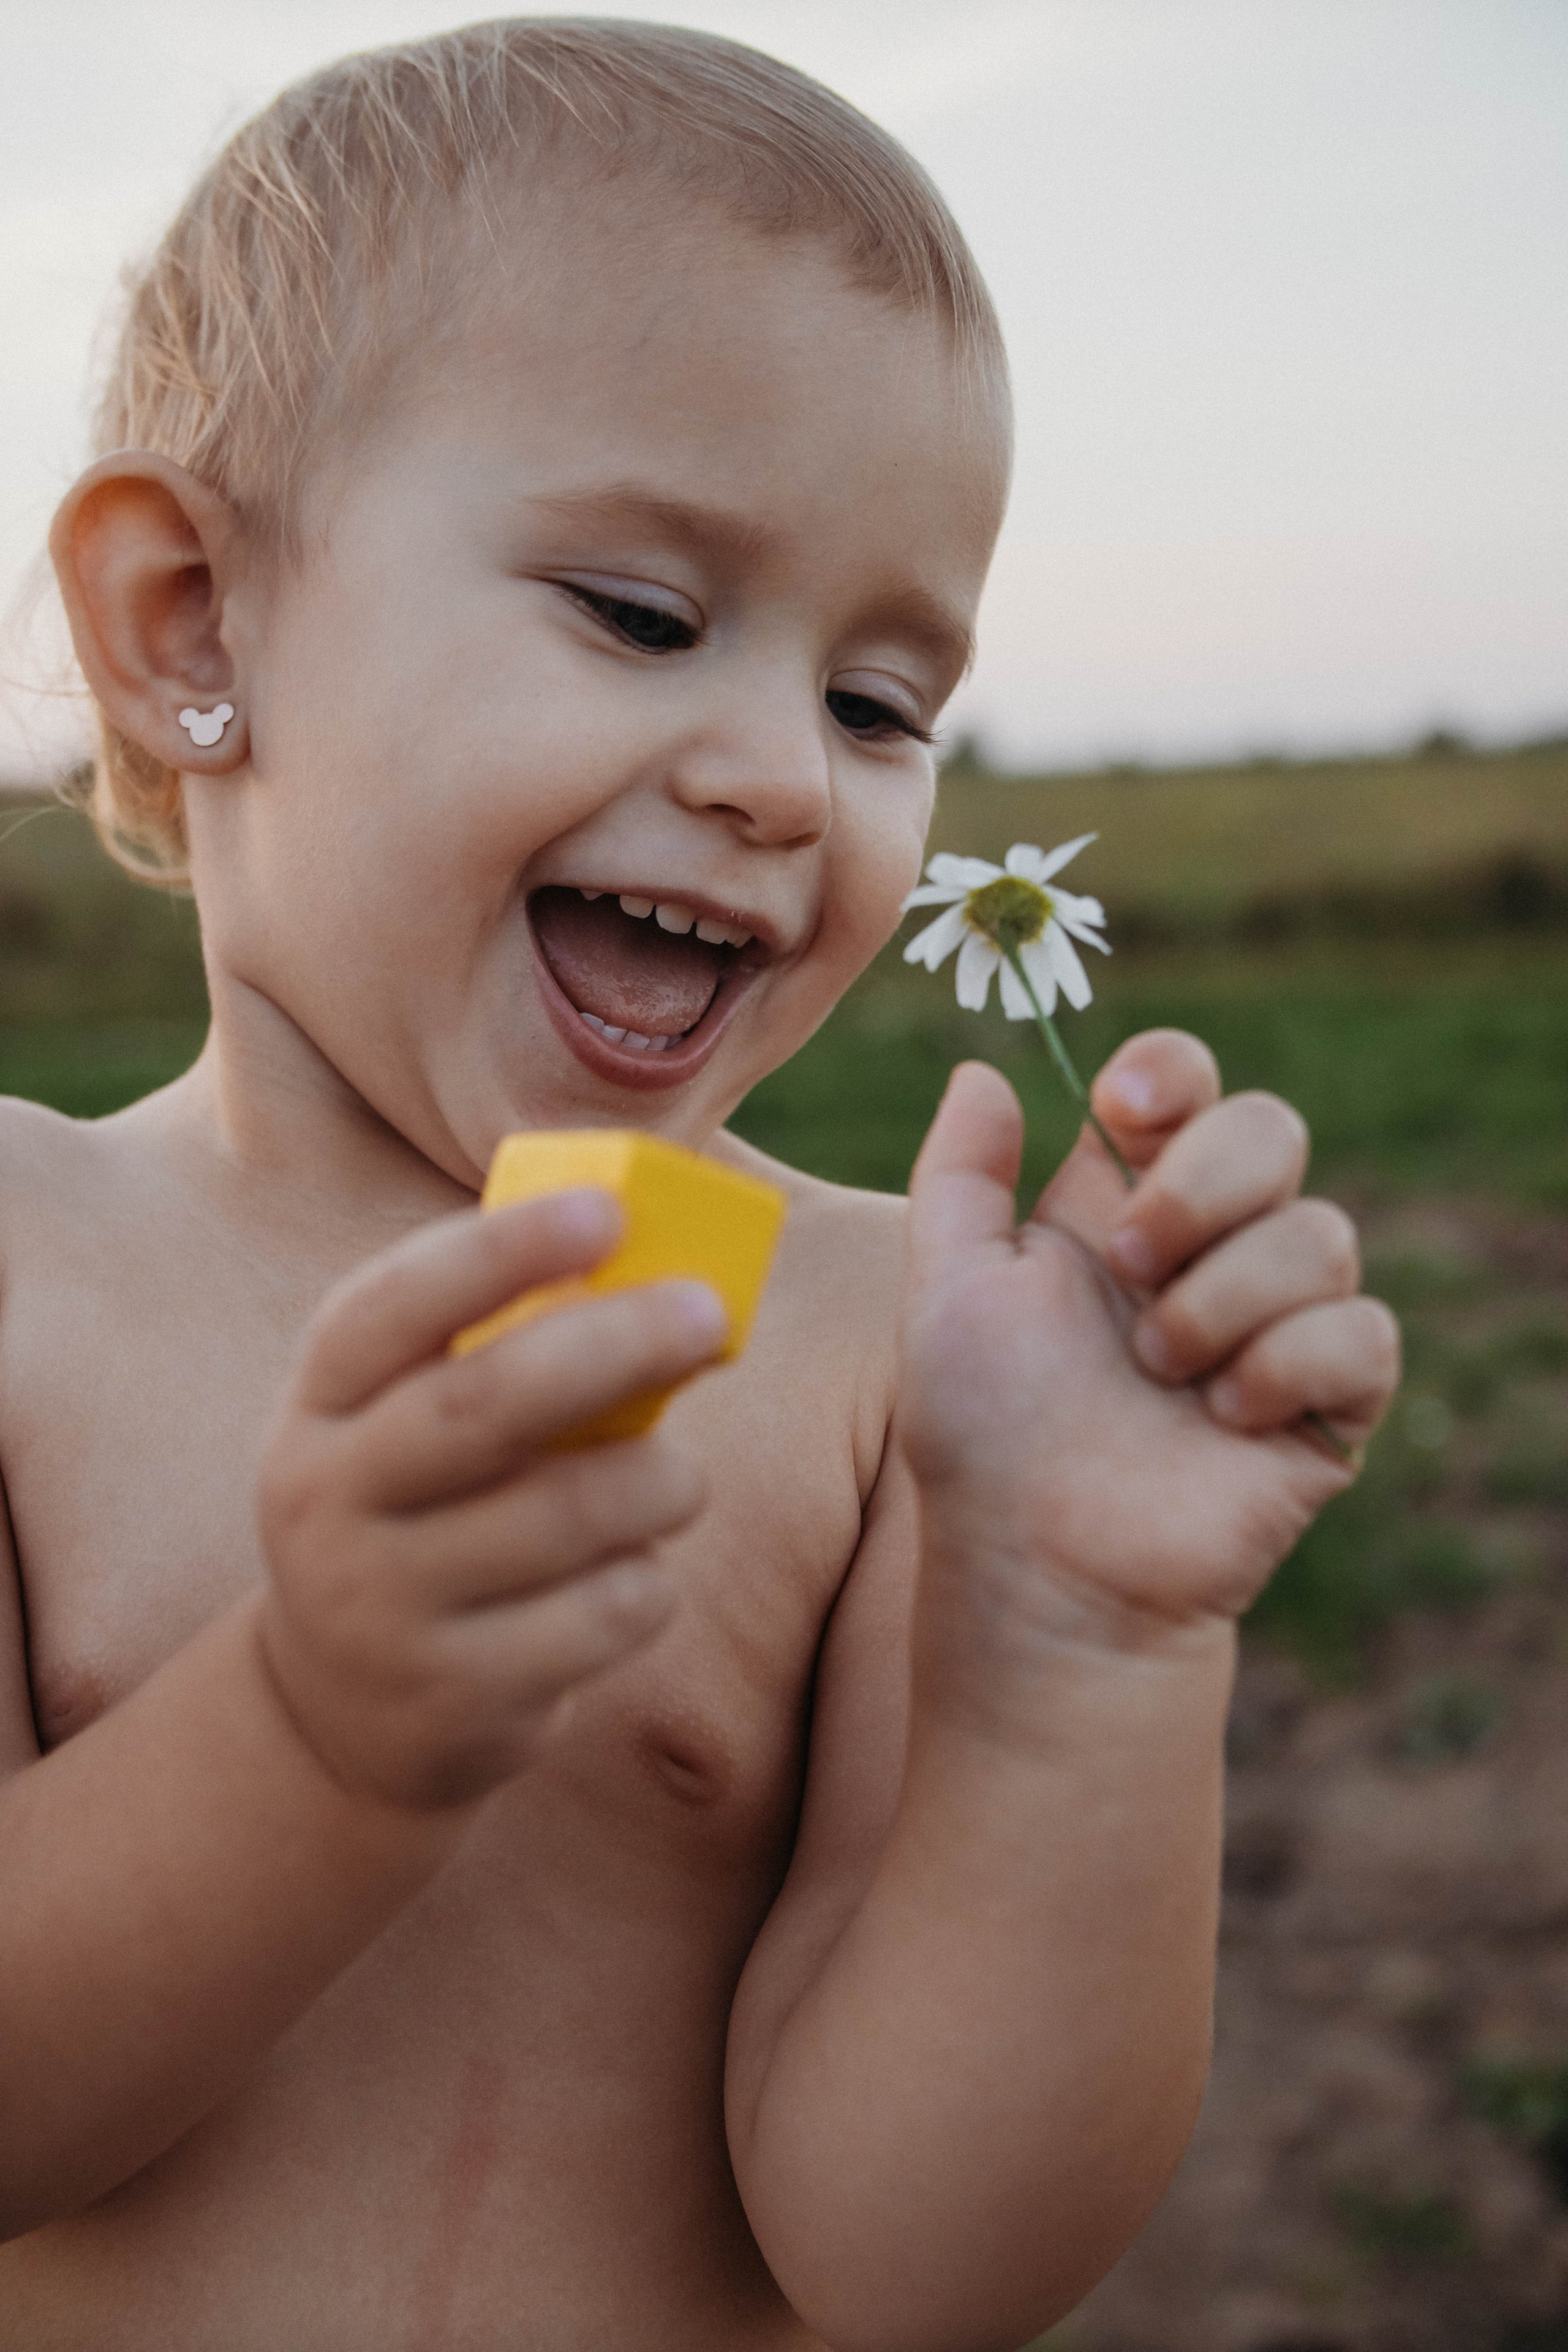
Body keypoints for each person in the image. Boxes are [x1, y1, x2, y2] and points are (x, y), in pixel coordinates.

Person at [0, 21, 1399, 2348]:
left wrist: (1085, 1661)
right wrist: (321, 1732)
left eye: (881, 705)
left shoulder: (888, 1359)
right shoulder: (22, 1274)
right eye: (646, 618)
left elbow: (919, 2262)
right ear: (190, 628)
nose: (777, 775)